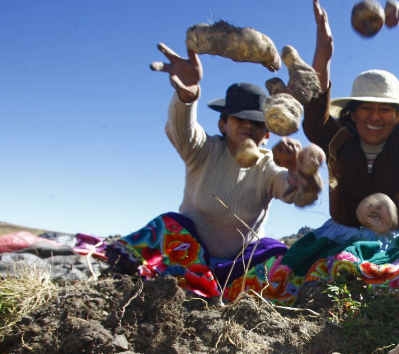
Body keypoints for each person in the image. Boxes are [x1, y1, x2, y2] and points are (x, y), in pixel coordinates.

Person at [258, 0, 399, 304]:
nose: (374, 116)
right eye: (366, 108)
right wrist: (324, 54)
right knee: (305, 284)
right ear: (352, 114)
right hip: (338, 237)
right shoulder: (337, 140)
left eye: (385, 110)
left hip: (392, 244)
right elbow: (316, 115)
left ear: (397, 116)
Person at [106, 43, 322, 301]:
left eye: (256, 123)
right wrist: (188, 97)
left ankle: (226, 293)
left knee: (276, 252)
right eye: (238, 118)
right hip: (187, 258)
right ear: (222, 123)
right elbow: (181, 128)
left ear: (267, 134)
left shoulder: (267, 166)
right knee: (168, 226)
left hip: (237, 268)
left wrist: (301, 171)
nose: (247, 126)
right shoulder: (203, 150)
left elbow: (297, 194)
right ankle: (151, 284)